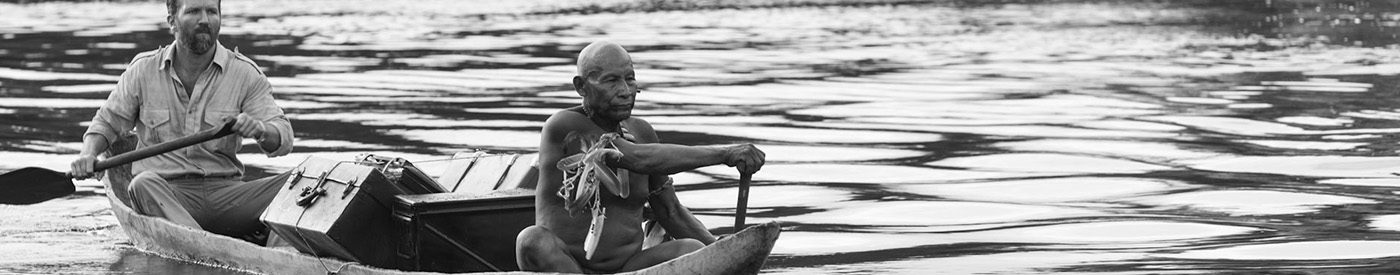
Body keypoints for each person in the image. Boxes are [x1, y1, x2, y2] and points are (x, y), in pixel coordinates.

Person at [516, 40, 766, 273]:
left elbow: (670, 211)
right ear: (581, 86)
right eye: (611, 81)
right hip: (566, 266)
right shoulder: (564, 126)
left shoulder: (642, 131)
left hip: (629, 269)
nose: (625, 91)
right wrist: (725, 154)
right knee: (531, 239)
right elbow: (636, 158)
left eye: (630, 79)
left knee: (691, 248)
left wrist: (727, 253)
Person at [69, 0, 294, 241]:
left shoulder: (245, 73)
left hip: (226, 196)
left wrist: (260, 130)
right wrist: (88, 155)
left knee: (299, 182)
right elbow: (107, 123)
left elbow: (283, 137)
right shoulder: (143, 70)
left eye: (211, 12)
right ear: (171, 20)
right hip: (164, 194)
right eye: (194, 11)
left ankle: (275, 249)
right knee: (141, 184)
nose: (205, 20)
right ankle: (210, 245)